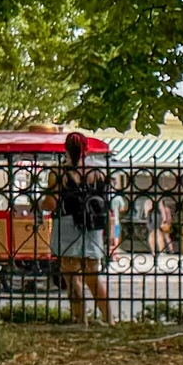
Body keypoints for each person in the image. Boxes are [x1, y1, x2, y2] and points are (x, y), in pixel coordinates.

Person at [45, 133, 115, 323]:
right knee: (92, 276)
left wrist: (41, 203)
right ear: (86, 148)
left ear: (66, 148)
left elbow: (51, 203)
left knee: (71, 274)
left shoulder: (59, 172)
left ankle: (79, 318)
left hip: (67, 224)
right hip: (92, 226)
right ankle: (109, 318)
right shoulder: (98, 172)